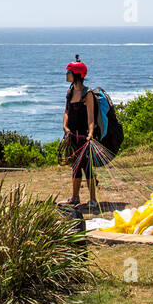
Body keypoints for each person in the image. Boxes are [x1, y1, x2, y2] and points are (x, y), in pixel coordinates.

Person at [60, 57, 98, 209]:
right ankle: (75, 197)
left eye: (68, 72)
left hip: (83, 136)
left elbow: (90, 116)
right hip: (72, 136)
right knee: (75, 166)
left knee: (87, 167)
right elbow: (67, 112)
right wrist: (65, 126)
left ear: (76, 74)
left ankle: (93, 199)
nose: (66, 75)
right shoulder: (70, 92)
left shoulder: (87, 94)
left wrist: (90, 134)